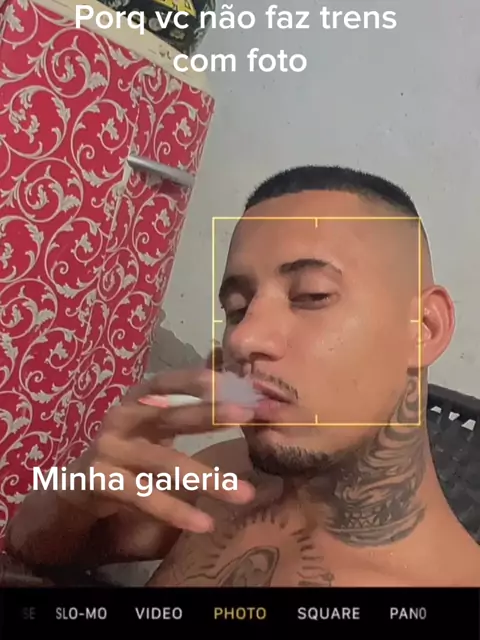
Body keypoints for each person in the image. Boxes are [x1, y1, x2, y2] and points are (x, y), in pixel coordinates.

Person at [6, 166, 480, 587]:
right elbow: (34, 547)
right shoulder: (226, 478)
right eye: (237, 308)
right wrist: (77, 492)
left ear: (424, 328)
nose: (243, 338)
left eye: (312, 296)